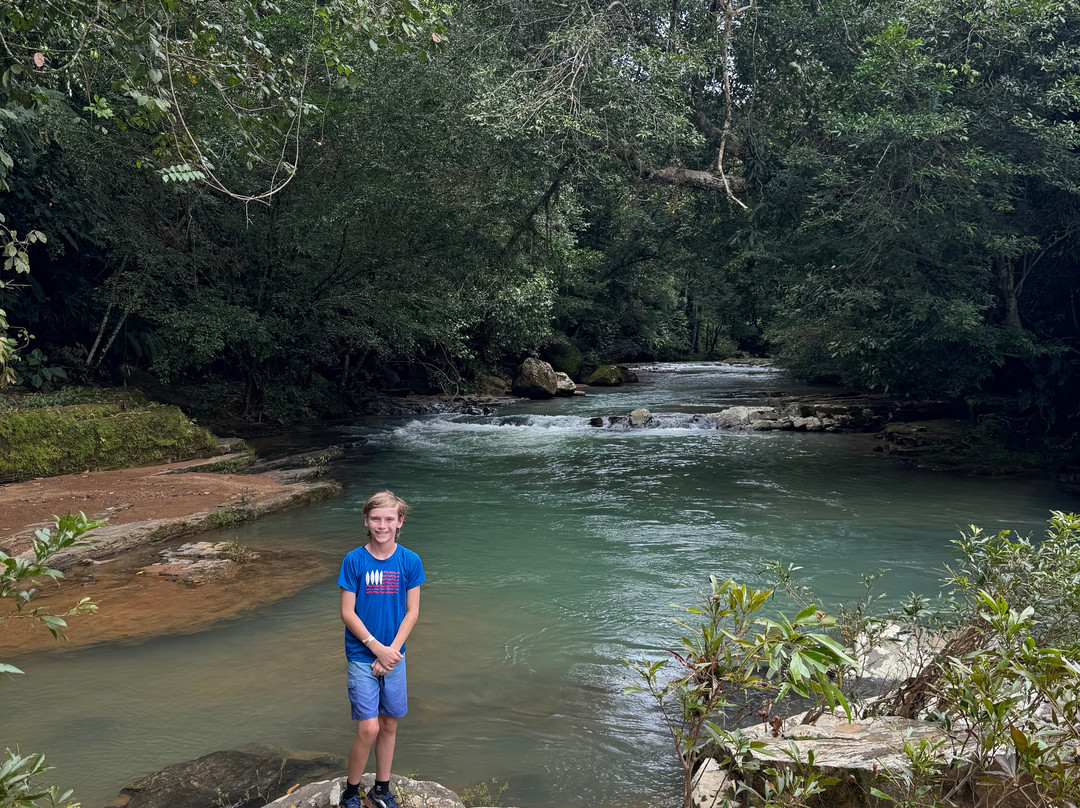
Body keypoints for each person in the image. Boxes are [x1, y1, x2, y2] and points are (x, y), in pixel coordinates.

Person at [337, 491, 425, 808]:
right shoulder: (354, 560)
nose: (382, 525)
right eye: (376, 518)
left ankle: (381, 788)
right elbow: (348, 612)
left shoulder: (409, 561)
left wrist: (391, 653)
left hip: (394, 655)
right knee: (369, 727)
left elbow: (412, 611)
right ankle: (351, 790)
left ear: (400, 522)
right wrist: (377, 649)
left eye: (389, 519)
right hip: (363, 655)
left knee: (389, 724)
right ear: (366, 520)